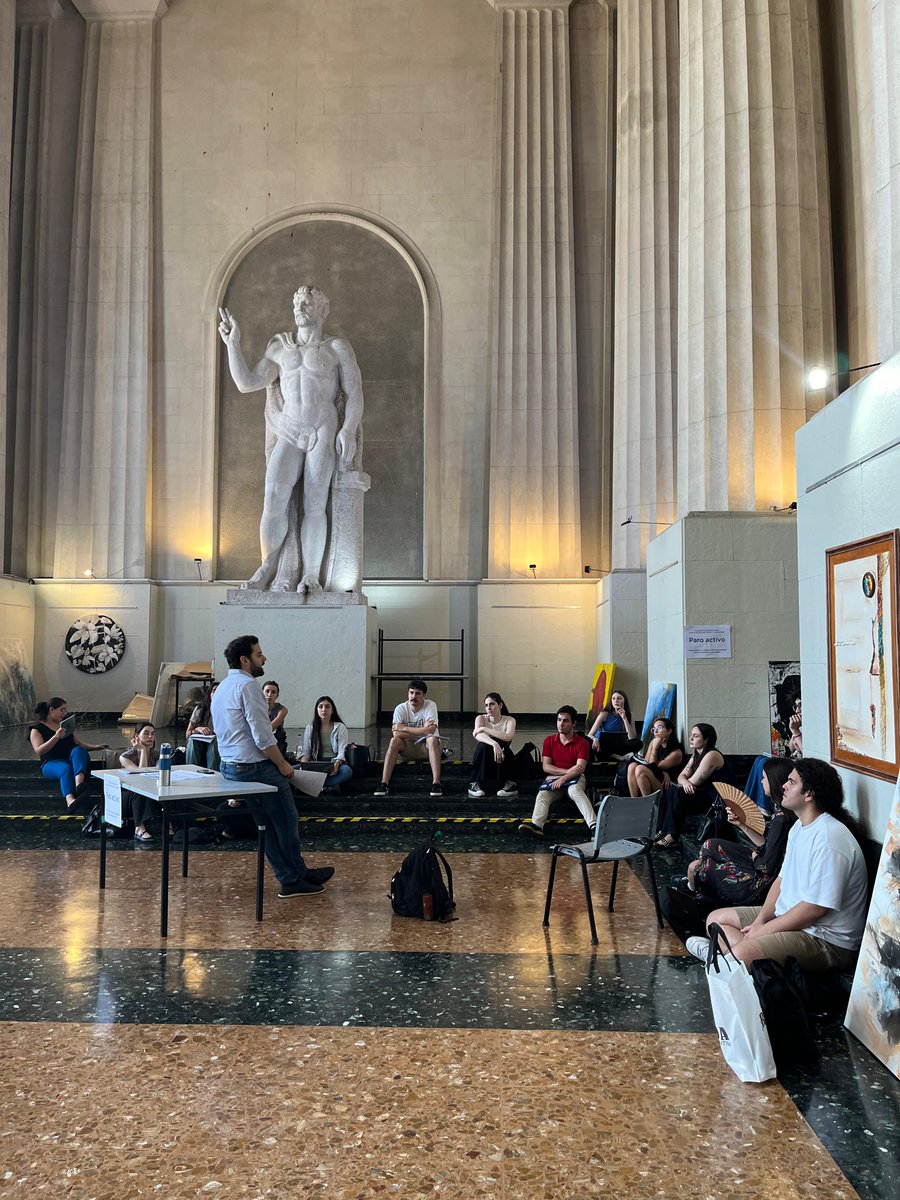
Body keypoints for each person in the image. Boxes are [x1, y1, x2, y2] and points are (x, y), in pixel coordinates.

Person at [218, 284, 364, 593]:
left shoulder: (336, 348)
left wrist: (348, 428)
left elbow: (354, 394)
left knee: (314, 503)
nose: (300, 308)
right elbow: (247, 383)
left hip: (322, 427)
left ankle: (311, 573)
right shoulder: (279, 346)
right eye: (297, 303)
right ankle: (267, 566)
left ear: (322, 310)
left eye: (307, 303)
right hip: (289, 427)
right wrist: (233, 344)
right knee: (273, 499)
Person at [687, 759, 869, 971]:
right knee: (715, 920)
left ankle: (728, 957)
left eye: (791, 782)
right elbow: (781, 881)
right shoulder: (799, 828)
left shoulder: (830, 838)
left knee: (741, 953)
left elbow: (815, 909)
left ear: (809, 794)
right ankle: (730, 959)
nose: (783, 785)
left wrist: (764, 931)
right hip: (792, 918)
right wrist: (759, 922)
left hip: (825, 939)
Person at [212, 634, 334, 897]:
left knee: (265, 824)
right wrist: (283, 766)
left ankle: (296, 874)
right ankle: (292, 878)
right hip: (256, 767)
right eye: (258, 654)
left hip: (232, 767)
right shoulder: (248, 687)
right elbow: (262, 735)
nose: (263, 658)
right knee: (286, 820)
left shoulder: (222, 687)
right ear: (245, 660)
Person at [675, 756, 795, 904]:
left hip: (760, 885)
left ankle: (696, 893)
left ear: (774, 780)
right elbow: (767, 844)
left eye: (764, 777)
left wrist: (755, 856)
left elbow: (766, 868)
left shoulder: (781, 820)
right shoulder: (779, 811)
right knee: (710, 845)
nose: (761, 781)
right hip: (760, 861)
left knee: (701, 867)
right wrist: (741, 824)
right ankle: (700, 890)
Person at [519, 706, 595, 837]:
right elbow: (546, 767)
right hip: (555, 779)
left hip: (575, 778)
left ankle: (594, 826)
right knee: (543, 794)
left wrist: (564, 778)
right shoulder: (549, 740)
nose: (561, 724)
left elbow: (580, 768)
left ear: (574, 723)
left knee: (575, 791)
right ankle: (537, 826)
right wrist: (566, 772)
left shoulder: (583, 743)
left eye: (565, 721)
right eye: (559, 720)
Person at [654, 722, 729, 848]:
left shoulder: (712, 755)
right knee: (671, 788)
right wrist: (684, 781)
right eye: (691, 735)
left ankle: (672, 835)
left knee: (678, 791)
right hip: (703, 794)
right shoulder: (697, 754)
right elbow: (681, 776)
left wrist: (685, 781)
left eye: (696, 736)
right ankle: (663, 829)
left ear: (706, 739)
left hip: (717, 801)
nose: (691, 738)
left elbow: (694, 782)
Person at [28, 697, 109, 809]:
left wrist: (95, 747)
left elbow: (79, 744)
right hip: (51, 763)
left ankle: (79, 784)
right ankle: (70, 800)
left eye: (65, 710)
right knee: (66, 768)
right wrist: (56, 737)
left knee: (78, 750)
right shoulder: (37, 729)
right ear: (51, 710)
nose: (64, 713)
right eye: (62, 710)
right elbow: (39, 750)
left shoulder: (64, 726)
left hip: (71, 759)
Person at [375, 679, 442, 797]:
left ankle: (436, 783)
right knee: (394, 741)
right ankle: (384, 783)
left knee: (432, 739)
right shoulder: (400, 708)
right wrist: (423, 730)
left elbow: (431, 731)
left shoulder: (430, 705)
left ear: (423, 695)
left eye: (417, 693)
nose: (413, 696)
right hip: (408, 749)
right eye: (411, 692)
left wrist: (404, 728)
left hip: (427, 749)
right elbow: (396, 734)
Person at [468, 692, 518, 799]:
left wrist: (484, 729)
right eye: (486, 705)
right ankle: (474, 783)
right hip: (485, 759)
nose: (488, 707)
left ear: (500, 705)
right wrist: (494, 743)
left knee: (503, 744)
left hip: (503, 758)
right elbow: (477, 735)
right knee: (483, 745)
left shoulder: (510, 720)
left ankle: (510, 784)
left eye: (492, 704)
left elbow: (508, 737)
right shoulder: (481, 718)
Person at [299, 696, 352, 794]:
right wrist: (304, 766)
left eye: (327, 707)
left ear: (332, 710)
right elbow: (306, 752)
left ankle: (317, 786)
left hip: (333, 762)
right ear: (317, 710)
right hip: (316, 763)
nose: (324, 709)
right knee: (292, 770)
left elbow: (342, 751)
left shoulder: (340, 727)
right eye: (321, 707)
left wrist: (336, 764)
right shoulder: (311, 727)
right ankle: (328, 786)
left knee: (346, 772)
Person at [119, 722, 161, 842]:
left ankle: (168, 824)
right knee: (140, 791)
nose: (150, 737)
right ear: (136, 736)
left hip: (150, 791)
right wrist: (143, 750)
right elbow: (141, 776)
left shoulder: (158, 755)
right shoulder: (125, 756)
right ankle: (139, 828)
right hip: (128, 796)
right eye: (146, 733)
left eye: (153, 734)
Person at [627, 717, 684, 796]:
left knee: (640, 769)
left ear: (669, 731)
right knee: (632, 766)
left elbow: (653, 768)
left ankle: (648, 804)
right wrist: (664, 772)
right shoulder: (654, 742)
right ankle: (635, 801)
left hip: (668, 786)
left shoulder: (676, 752)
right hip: (655, 778)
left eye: (659, 728)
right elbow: (647, 763)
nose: (656, 731)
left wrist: (655, 748)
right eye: (654, 729)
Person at [185, 681, 220, 770]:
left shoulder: (227, 711)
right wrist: (197, 729)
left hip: (216, 741)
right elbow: (188, 734)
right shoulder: (200, 709)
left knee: (215, 742)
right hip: (200, 741)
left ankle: (213, 772)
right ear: (209, 693)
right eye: (214, 690)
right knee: (192, 741)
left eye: (219, 691)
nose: (216, 693)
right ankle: (190, 770)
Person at [263, 681, 289, 757]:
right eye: (267, 691)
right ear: (262, 693)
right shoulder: (256, 708)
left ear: (277, 695)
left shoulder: (282, 710)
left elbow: (270, 728)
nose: (269, 695)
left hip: (276, 746)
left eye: (273, 692)